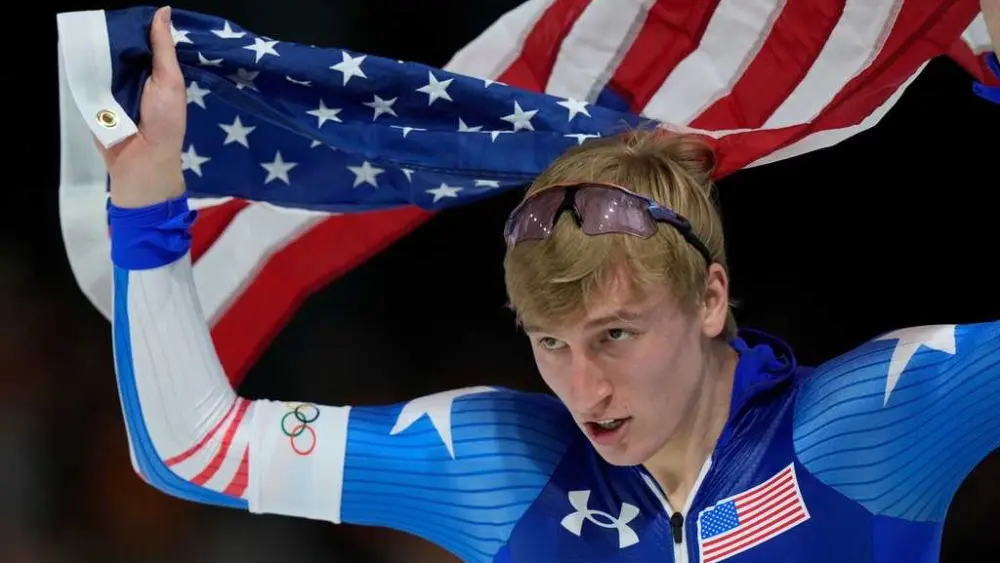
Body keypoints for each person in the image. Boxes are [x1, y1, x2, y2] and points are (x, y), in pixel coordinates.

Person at [99, 5, 1000, 563]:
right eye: (550, 343)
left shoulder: (869, 426)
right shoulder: (498, 465)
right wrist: (146, 197)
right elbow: (192, 448)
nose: (584, 389)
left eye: (615, 333)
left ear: (711, 298)